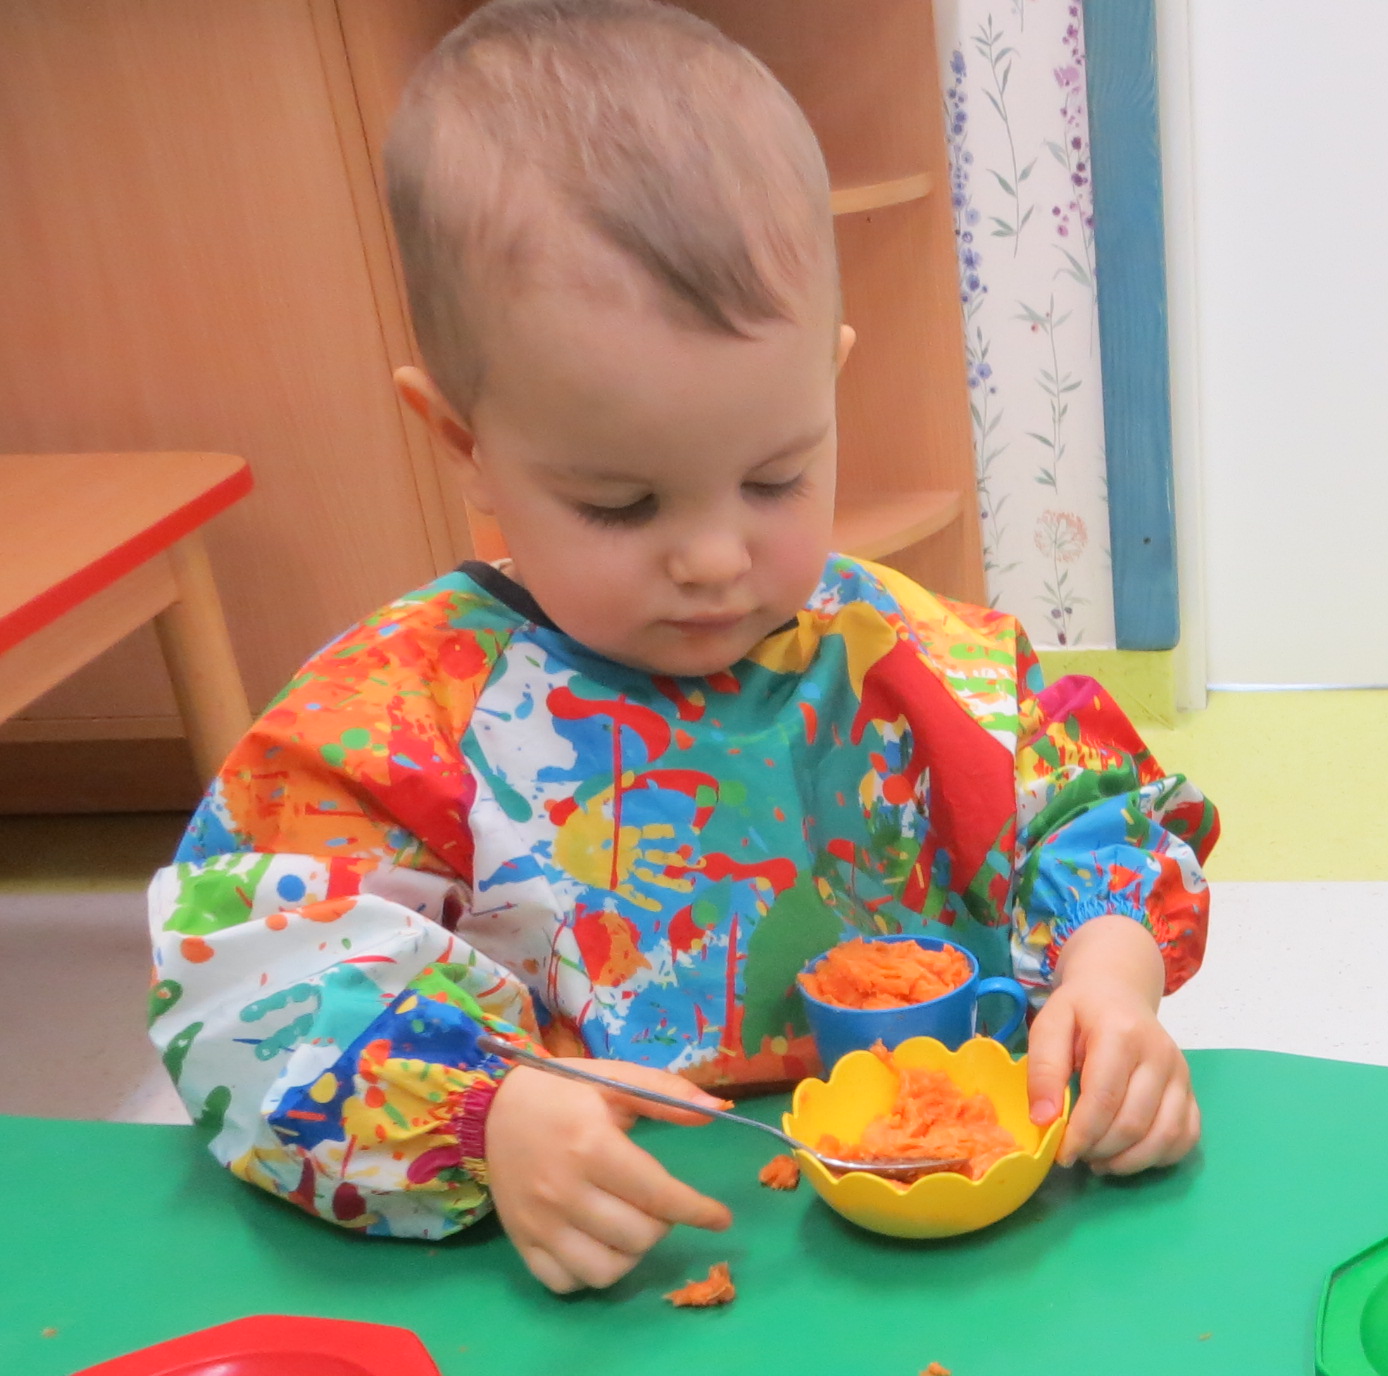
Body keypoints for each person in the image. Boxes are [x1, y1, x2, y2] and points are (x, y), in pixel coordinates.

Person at [147, 0, 1214, 1291]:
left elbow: (1086, 816)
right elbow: (242, 982)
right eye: (621, 503)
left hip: (946, 1258)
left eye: (774, 478)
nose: (714, 557)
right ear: (463, 442)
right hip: (617, 1277)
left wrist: (1111, 976)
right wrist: (485, 1115)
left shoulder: (904, 657)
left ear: (828, 386)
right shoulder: (404, 717)